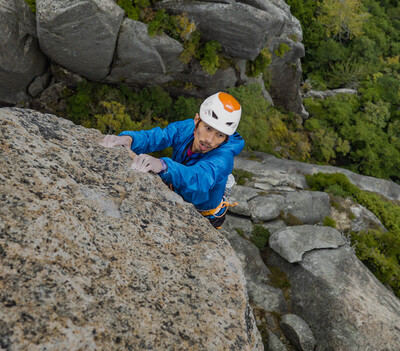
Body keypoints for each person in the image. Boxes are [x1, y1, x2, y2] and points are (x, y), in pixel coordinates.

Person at [101, 92, 244, 228]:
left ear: (226, 138)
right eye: (207, 128)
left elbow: (198, 179)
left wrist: (164, 165)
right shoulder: (186, 128)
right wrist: (129, 139)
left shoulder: (223, 158)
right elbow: (158, 136)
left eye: (219, 135)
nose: (209, 140)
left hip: (205, 213)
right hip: (179, 191)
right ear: (196, 120)